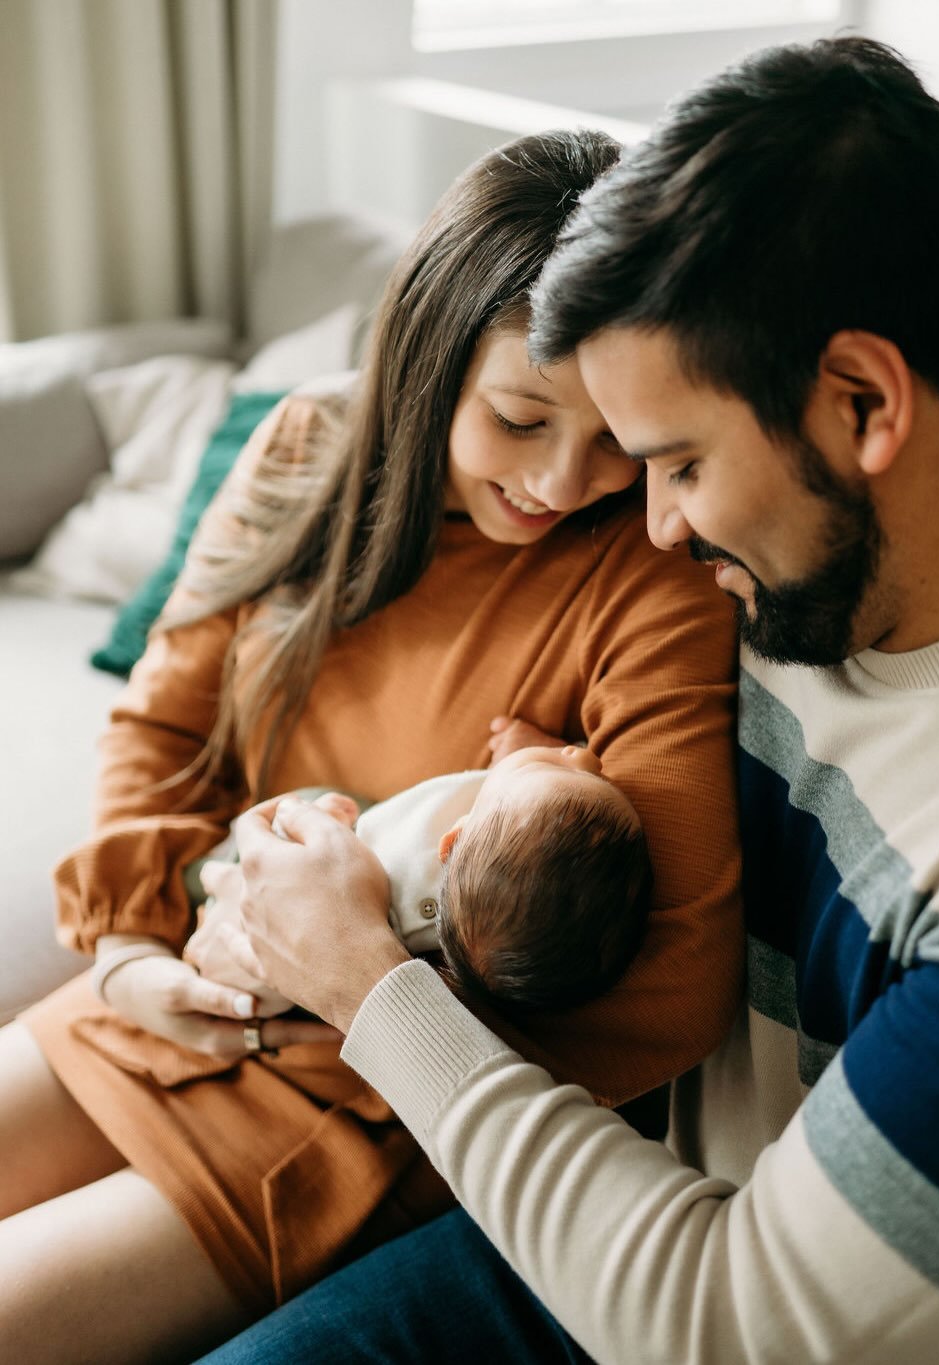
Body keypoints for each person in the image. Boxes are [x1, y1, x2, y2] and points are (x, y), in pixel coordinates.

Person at [203, 35, 939, 1365]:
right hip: (590, 1172)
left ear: (865, 400)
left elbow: (728, 1325)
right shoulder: (802, 565)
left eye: (680, 462)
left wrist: (367, 984)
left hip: (700, 1296)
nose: (648, 528)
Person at [0, 129, 742, 1365]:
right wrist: (132, 956)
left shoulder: (652, 580)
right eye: (518, 419)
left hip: (360, 1111)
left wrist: (359, 995)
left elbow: (673, 996)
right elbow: (163, 730)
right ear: (427, 362)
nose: (566, 481)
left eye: (611, 434)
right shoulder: (304, 451)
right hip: (177, 991)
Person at [196, 741, 652, 1020]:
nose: (585, 755)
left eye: (550, 767)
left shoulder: (399, 876)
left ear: (451, 841)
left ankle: (193, 886)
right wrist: (528, 757)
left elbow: (299, 884)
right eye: (593, 777)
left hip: (262, 922)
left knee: (307, 805)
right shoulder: (501, 869)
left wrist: (322, 823)